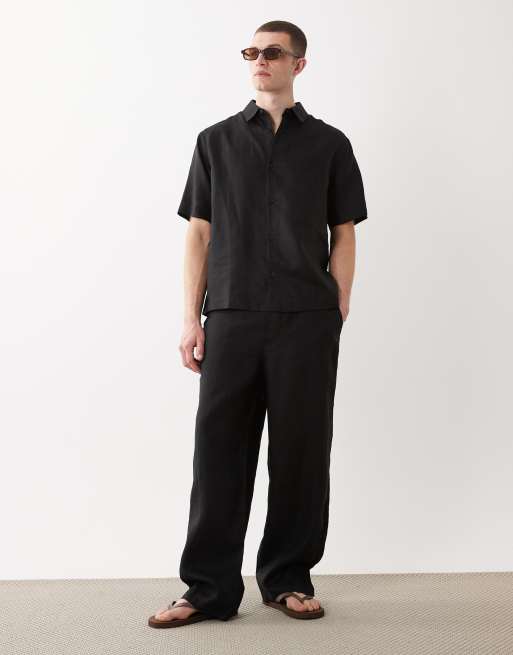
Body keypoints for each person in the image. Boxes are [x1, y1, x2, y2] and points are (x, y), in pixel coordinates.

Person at [148, 19, 367, 629]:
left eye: (272, 52)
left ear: (299, 64)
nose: (259, 61)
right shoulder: (214, 142)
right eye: (251, 52)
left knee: (301, 452)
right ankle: (207, 589)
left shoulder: (330, 144)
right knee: (219, 453)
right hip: (232, 316)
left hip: (306, 319)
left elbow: (344, 231)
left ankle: (288, 579)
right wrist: (190, 317)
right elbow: (199, 232)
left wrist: (338, 303)